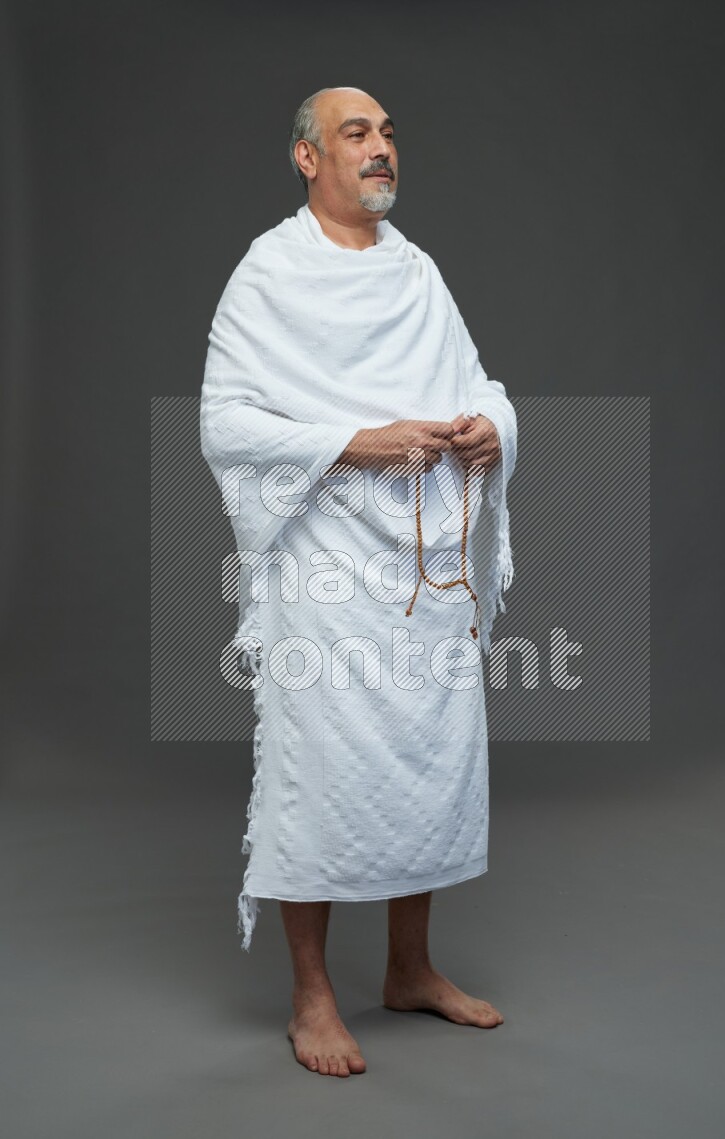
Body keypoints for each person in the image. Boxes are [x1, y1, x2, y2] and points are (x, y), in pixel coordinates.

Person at [200, 86, 517, 1077]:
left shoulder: (416, 271)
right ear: (308, 157)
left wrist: (488, 429)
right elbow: (225, 422)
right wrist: (355, 442)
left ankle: (409, 968)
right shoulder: (270, 271)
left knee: (425, 754)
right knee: (322, 766)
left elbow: (479, 384)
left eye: (386, 133)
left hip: (422, 565)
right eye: (355, 133)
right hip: (324, 564)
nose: (380, 148)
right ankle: (311, 993)